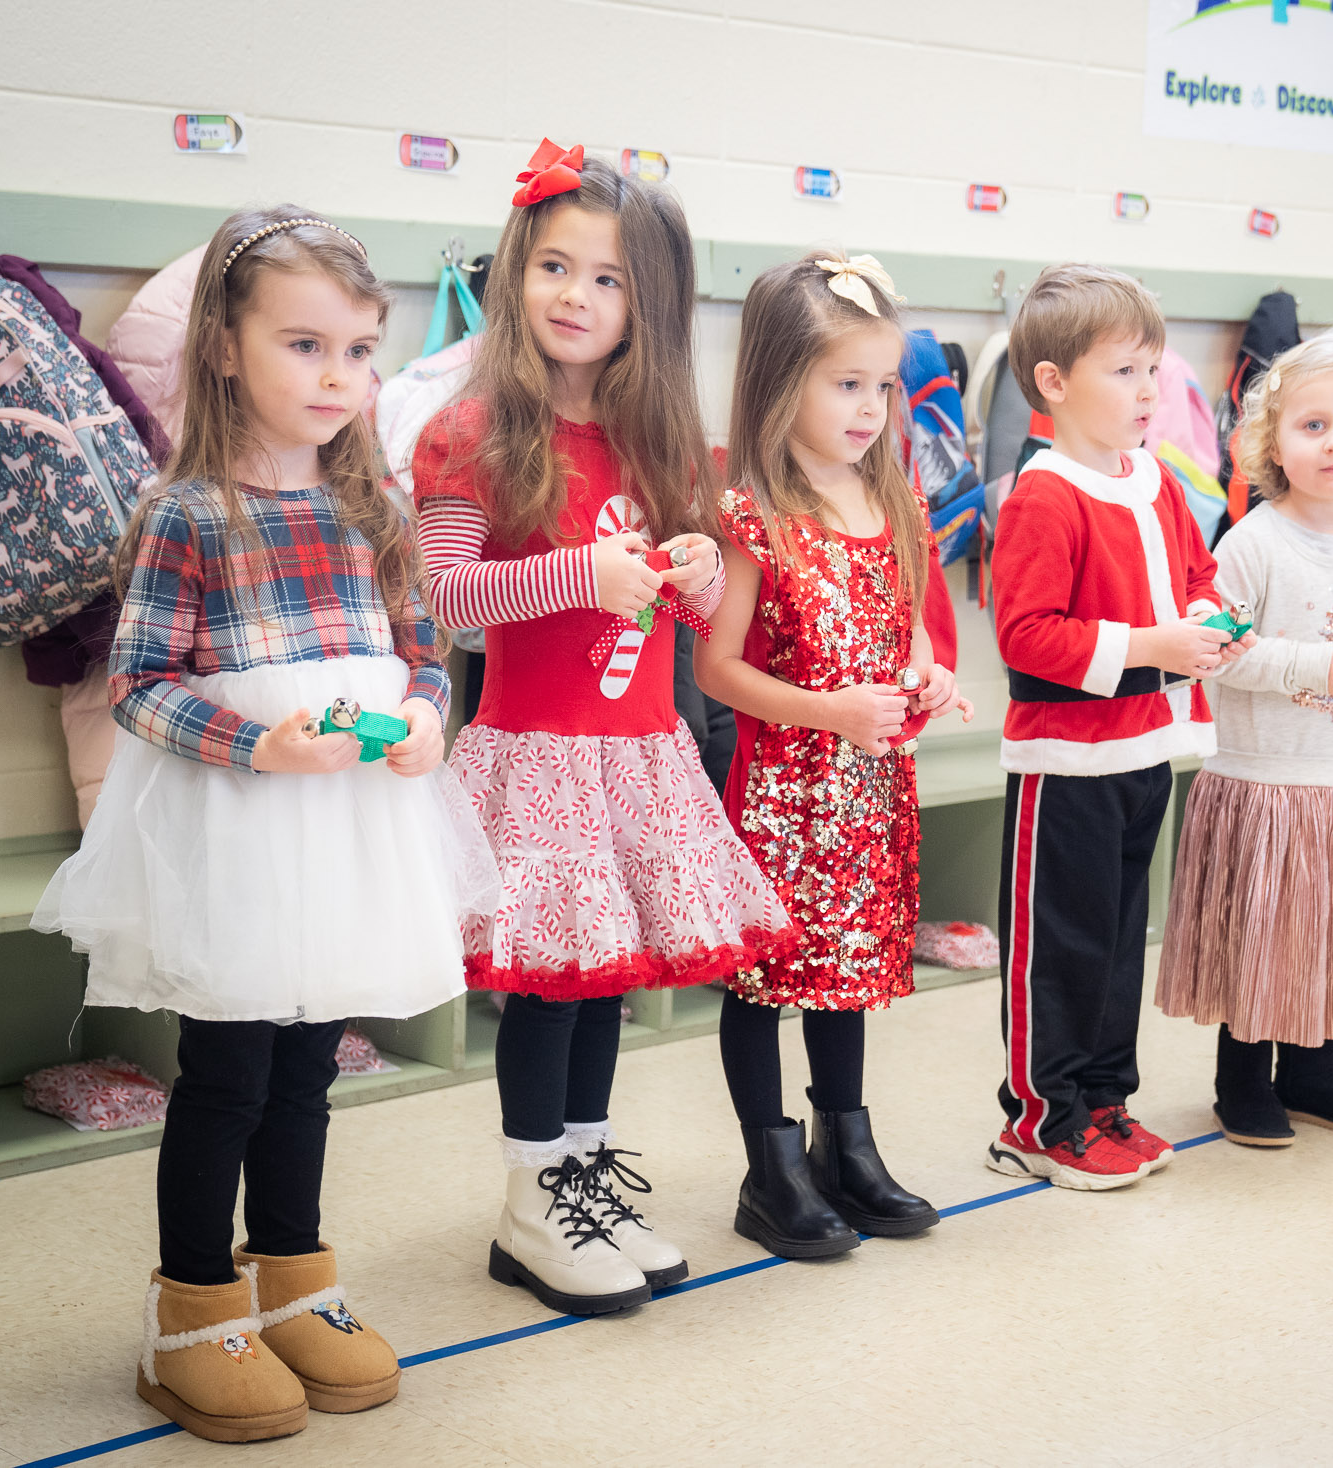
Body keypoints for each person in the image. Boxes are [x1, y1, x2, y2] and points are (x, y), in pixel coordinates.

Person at [34, 207, 498, 1443]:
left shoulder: (376, 509)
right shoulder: (184, 511)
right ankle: (192, 1312)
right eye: (305, 345)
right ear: (224, 349)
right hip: (240, 833)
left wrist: (424, 716)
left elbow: (425, 655)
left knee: (310, 1068)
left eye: (358, 350)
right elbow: (138, 686)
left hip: (348, 833)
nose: (337, 377)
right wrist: (258, 743)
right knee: (228, 1076)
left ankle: (293, 1281)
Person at [413, 143, 794, 1315]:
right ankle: (532, 1201)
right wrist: (579, 574)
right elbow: (447, 601)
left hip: (638, 757)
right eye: (553, 266)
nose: (574, 295)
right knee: (548, 987)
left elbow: (695, 611)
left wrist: (696, 571)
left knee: (603, 984)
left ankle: (580, 1174)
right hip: (537, 756)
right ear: (515, 271)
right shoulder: (469, 429)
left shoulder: (658, 440)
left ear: (650, 306)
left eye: (607, 279)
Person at [696, 253, 969, 1259]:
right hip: (782, 796)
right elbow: (717, 667)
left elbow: (914, 631)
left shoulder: (893, 499)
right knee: (765, 981)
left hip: (866, 790)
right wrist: (826, 710)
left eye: (881, 386)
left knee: (845, 973)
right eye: (845, 383)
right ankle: (770, 1170)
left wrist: (929, 674)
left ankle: (844, 1147)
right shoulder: (750, 514)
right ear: (781, 382)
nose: (868, 408)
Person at [979, 264, 1250, 1190]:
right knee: (1058, 949)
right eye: (1125, 372)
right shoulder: (1042, 495)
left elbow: (1198, 577)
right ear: (1054, 383)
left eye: (1153, 370)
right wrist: (1152, 643)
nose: (1149, 391)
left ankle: (1102, 1102)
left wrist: (1210, 622)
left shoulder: (1157, 480)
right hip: (1066, 763)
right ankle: (1039, 1120)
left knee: (1118, 939)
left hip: (1146, 748)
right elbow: (1026, 637)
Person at [1156, 325, 1333, 1144]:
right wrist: (1317, 667)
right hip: (1265, 783)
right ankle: (1241, 1080)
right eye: (1314, 425)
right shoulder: (1253, 541)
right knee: (1261, 937)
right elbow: (1223, 651)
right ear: (1272, 443)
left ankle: (1312, 1072)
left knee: (1330, 938)